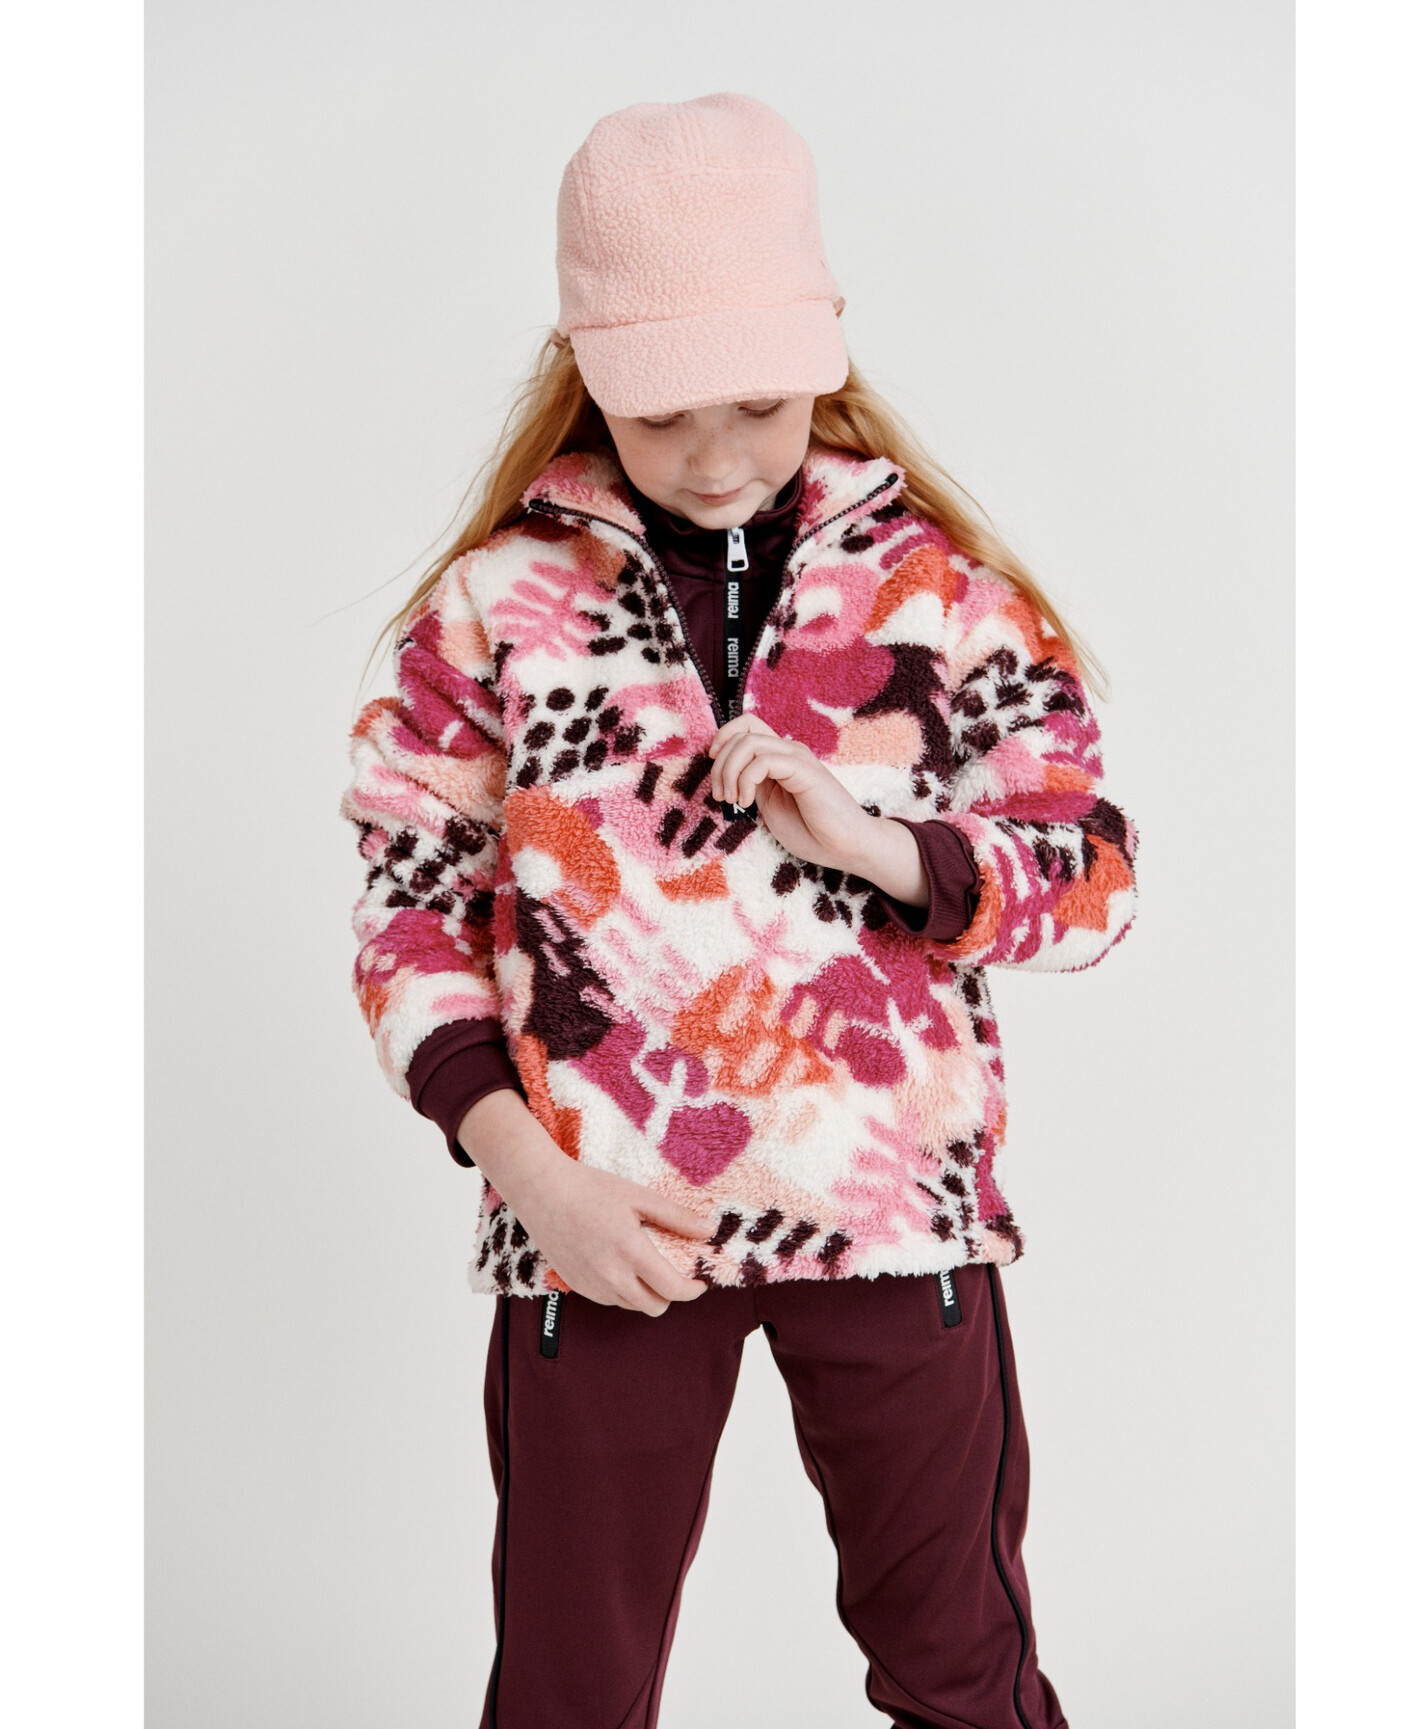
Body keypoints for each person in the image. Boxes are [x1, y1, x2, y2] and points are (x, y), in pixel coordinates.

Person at [341, 92, 1138, 1729]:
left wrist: (887, 846)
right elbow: (407, 915)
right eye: (660, 417)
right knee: (567, 1695)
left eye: (761, 405)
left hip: (896, 1218)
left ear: (824, 348)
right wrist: (535, 1180)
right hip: (601, 1228)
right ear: (585, 371)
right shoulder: (495, 608)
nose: (715, 459)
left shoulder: (938, 594)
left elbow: (1094, 874)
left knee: (965, 1677)